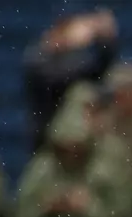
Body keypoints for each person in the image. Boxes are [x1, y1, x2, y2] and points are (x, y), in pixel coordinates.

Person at [23, 8, 120, 150]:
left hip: (74, 141)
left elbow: (98, 71)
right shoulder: (38, 58)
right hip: (47, 140)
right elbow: (58, 78)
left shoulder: (73, 60)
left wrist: (105, 40)